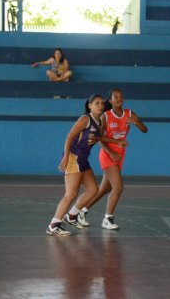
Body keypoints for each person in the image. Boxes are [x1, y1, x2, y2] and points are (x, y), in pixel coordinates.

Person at [46, 94, 127, 236]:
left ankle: (71, 216)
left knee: (93, 189)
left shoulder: (98, 122)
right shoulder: (85, 119)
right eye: (96, 103)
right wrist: (65, 157)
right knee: (71, 194)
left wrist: (117, 142)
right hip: (73, 157)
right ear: (89, 105)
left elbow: (99, 137)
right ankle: (54, 224)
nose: (100, 106)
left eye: (101, 103)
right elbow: (70, 136)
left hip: (83, 160)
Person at [77, 89, 148, 230]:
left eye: (121, 96)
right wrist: (112, 150)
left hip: (120, 155)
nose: (119, 98)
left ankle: (81, 212)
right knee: (118, 187)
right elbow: (99, 138)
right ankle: (108, 219)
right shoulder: (106, 116)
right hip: (107, 154)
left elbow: (144, 129)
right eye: (115, 97)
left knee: (104, 189)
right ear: (110, 101)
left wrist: (135, 123)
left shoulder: (129, 114)